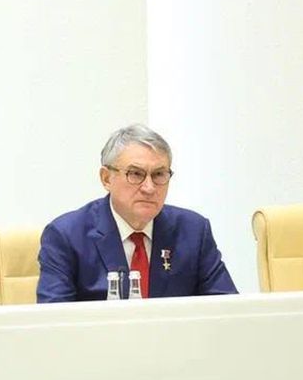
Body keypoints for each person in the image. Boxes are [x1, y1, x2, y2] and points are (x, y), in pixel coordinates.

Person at [36, 124, 237, 302]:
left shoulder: (193, 231)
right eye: (135, 174)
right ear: (106, 178)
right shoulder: (66, 236)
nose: (149, 187)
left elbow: (227, 311)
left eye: (159, 174)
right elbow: (54, 322)